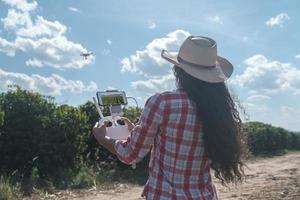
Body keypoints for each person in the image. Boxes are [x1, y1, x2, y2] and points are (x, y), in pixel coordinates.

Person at [92, 35, 245, 200]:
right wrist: (134, 132)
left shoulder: (163, 102)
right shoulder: (217, 110)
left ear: (178, 70)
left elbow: (131, 154)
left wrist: (104, 139)